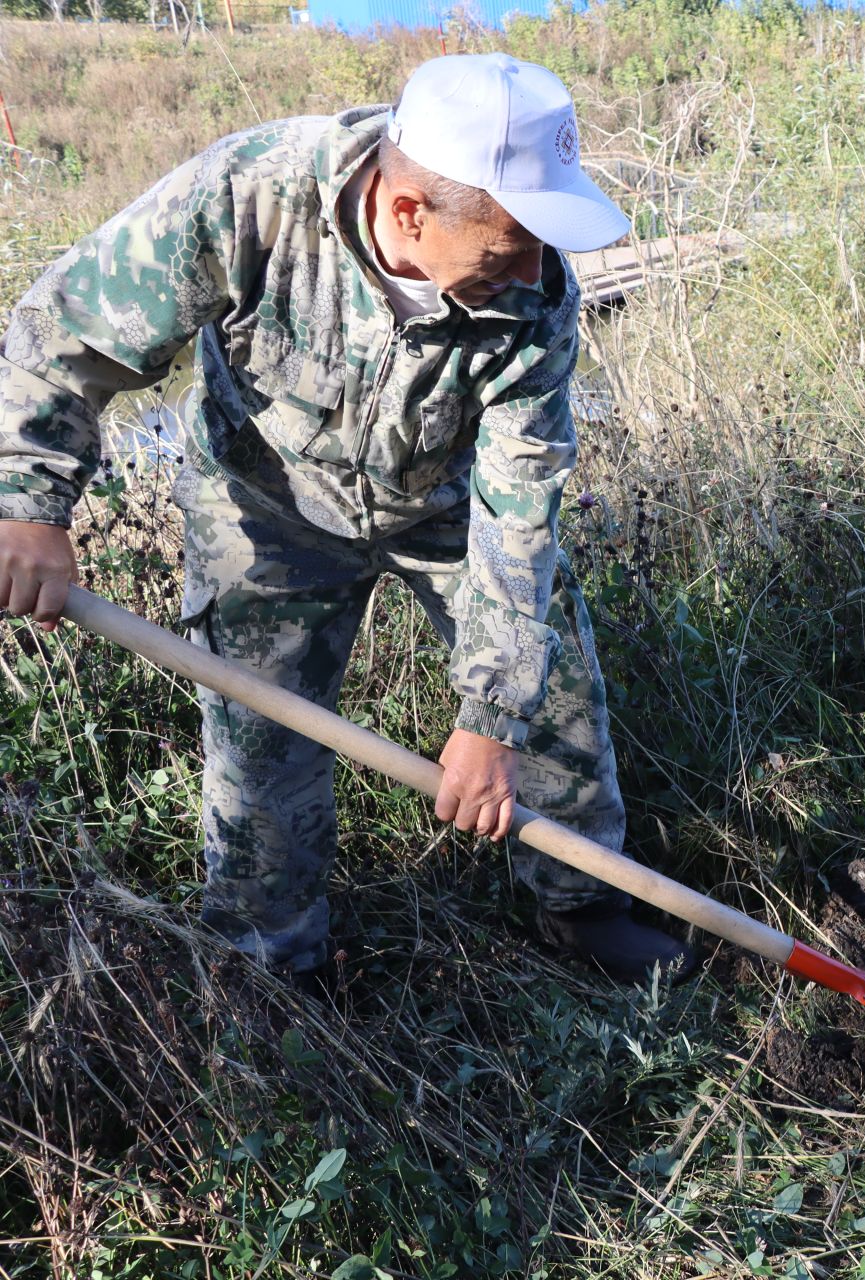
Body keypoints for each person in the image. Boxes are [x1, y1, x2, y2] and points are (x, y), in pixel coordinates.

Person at [0, 54, 685, 983]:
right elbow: (67, 332)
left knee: (551, 684)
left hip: (443, 502)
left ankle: (583, 903)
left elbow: (520, 510)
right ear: (411, 212)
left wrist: (491, 716)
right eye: (509, 241)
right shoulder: (246, 197)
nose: (533, 266)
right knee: (261, 740)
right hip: (264, 503)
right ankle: (268, 958)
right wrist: (28, 503)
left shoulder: (538, 299)